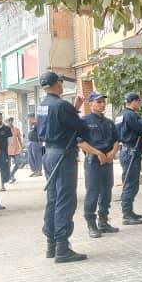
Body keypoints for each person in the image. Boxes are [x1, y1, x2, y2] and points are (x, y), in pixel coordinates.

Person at [37, 71, 90, 263]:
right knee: (65, 200)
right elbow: (80, 127)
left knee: (53, 199)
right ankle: (62, 248)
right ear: (57, 83)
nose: (62, 84)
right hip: (63, 155)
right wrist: (77, 114)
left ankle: (51, 245)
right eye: (60, 81)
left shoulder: (42, 105)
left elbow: (57, 123)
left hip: (49, 154)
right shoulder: (61, 105)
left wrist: (74, 109)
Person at [80, 92, 120, 238]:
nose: (102, 104)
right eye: (98, 102)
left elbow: (116, 140)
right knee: (93, 192)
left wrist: (112, 153)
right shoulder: (84, 121)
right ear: (90, 104)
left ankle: (103, 222)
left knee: (106, 191)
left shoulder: (109, 122)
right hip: (93, 161)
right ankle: (91, 224)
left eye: (103, 102)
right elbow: (80, 142)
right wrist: (98, 153)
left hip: (107, 161)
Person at [115, 92, 142, 225]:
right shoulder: (130, 115)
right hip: (131, 152)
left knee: (129, 181)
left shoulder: (120, 115)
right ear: (134, 101)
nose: (139, 104)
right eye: (138, 101)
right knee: (131, 183)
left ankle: (129, 211)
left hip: (125, 151)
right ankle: (127, 214)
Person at [0, 111, 13, 189]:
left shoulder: (7, 129)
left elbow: (10, 142)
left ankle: (2, 185)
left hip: (3, 152)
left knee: (4, 169)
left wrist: (9, 155)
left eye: (0, 118)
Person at [6, 116, 25, 181]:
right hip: (7, 149)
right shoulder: (5, 129)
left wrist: (21, 147)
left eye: (11, 120)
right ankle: (10, 177)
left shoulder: (16, 129)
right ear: (7, 122)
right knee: (8, 165)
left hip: (16, 149)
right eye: (9, 120)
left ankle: (11, 174)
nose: (10, 122)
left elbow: (19, 139)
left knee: (18, 163)